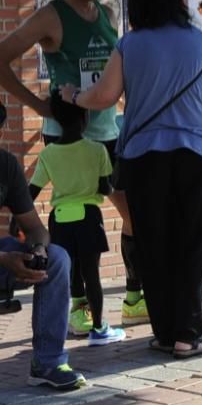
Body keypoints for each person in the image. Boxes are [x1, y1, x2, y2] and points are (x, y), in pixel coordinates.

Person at [60, 0, 202, 359]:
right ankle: (188, 335)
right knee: (193, 245)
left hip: (143, 160)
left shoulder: (131, 45)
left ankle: (163, 330)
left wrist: (72, 96)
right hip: (198, 160)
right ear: (179, 0)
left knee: (153, 245)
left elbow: (104, 97)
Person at [0, 0, 148, 333]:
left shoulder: (108, 12)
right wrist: (37, 104)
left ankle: (134, 297)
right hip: (67, 136)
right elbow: (3, 56)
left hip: (108, 131)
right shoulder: (50, 17)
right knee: (71, 220)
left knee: (133, 213)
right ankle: (79, 307)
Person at [29, 98, 125, 346]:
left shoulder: (48, 153)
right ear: (85, 120)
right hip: (89, 217)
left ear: (58, 122)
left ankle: (60, 328)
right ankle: (98, 329)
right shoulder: (97, 150)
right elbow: (105, 189)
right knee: (91, 274)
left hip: (59, 220)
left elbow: (32, 191)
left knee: (65, 275)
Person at [0, 150, 83, 390]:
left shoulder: (6, 165)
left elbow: (36, 228)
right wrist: (4, 259)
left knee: (56, 258)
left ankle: (48, 363)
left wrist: (38, 250)